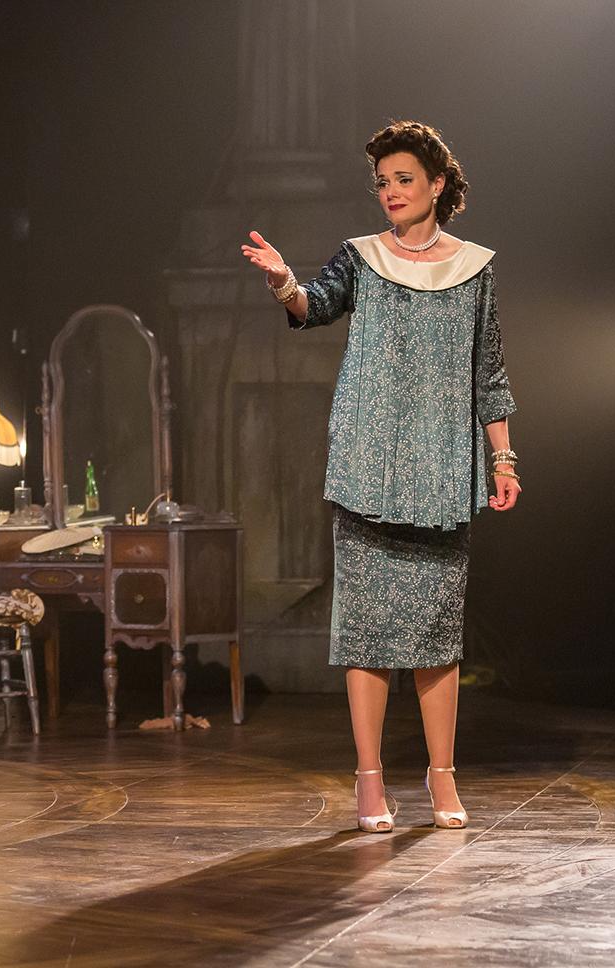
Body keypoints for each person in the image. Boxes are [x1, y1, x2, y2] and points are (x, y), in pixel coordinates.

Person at [240, 120, 521, 833]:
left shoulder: (474, 268)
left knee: (435, 632)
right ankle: (370, 782)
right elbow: (315, 304)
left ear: (436, 185)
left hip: (441, 472)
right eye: (382, 182)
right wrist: (284, 284)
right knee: (365, 632)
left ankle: (441, 778)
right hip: (370, 465)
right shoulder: (362, 259)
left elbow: (489, 374)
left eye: (404, 179)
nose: (391, 191)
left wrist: (504, 457)